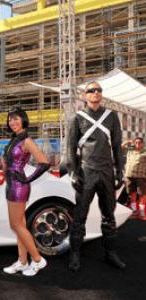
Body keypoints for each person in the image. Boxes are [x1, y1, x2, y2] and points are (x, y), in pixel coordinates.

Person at [66, 81, 126, 272]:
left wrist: (120, 170)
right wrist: (73, 173)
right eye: (91, 91)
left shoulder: (111, 116)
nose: (95, 93)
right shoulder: (77, 118)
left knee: (109, 215)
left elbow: (117, 146)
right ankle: (75, 254)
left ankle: (111, 253)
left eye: (98, 90)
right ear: (85, 95)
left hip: (107, 172)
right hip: (86, 172)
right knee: (79, 216)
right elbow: (70, 148)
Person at [2, 107, 50, 276]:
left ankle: (38, 260)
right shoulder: (14, 139)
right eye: (10, 119)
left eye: (16, 119)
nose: (12, 122)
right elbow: (7, 164)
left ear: (23, 120)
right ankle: (22, 261)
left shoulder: (26, 141)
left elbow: (44, 162)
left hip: (19, 186)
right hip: (11, 185)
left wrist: (28, 179)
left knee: (15, 225)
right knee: (19, 225)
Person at [122, 137, 146, 219]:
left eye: (139, 142)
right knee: (132, 194)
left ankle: (142, 212)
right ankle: (134, 211)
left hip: (141, 177)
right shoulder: (130, 150)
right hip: (129, 176)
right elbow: (121, 146)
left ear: (142, 144)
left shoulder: (145, 152)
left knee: (142, 194)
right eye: (136, 142)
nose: (137, 144)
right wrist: (128, 141)